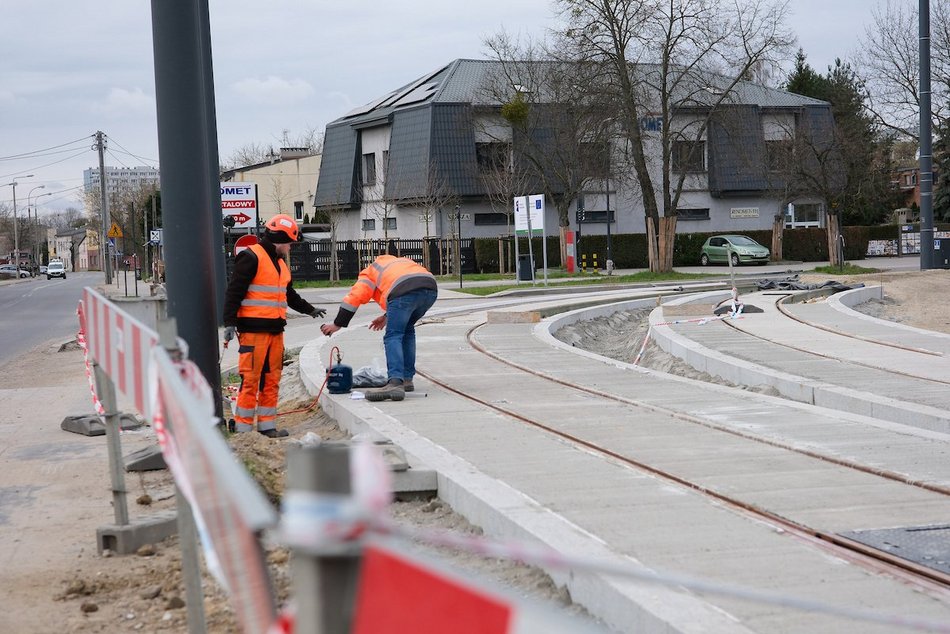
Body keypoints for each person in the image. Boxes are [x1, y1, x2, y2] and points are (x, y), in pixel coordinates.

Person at [223, 214, 325, 437]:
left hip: (275, 331)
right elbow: (234, 291)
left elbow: (289, 295)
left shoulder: (280, 265)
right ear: (279, 240)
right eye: (289, 244)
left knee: (272, 380)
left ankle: (267, 427)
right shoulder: (251, 257)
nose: (290, 248)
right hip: (252, 332)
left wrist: (310, 309)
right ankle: (243, 430)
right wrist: (229, 323)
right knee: (250, 380)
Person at [321, 254, 437, 402]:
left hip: (404, 290)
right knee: (407, 330)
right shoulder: (397, 262)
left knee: (393, 335)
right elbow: (406, 288)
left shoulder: (370, 272)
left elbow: (354, 297)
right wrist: (387, 316)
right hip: (429, 289)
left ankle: (395, 382)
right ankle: (406, 379)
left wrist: (337, 324)